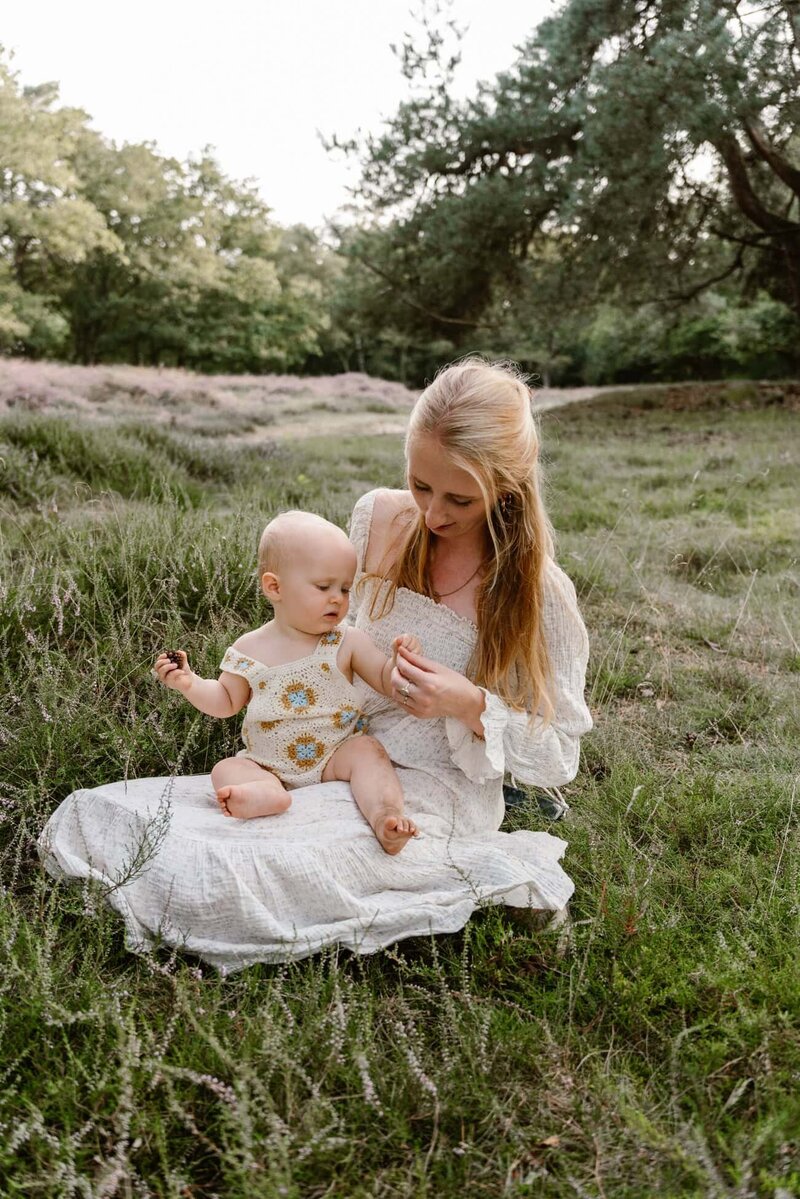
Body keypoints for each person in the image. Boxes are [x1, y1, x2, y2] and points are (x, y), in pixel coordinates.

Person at [40, 358, 592, 972]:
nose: (433, 514)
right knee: (119, 813)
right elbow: (322, 629)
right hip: (325, 749)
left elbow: (558, 752)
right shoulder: (378, 518)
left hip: (431, 787)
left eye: (460, 498)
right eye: (420, 485)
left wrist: (466, 703)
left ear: (508, 485)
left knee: (255, 866)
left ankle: (458, 871)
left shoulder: (536, 591)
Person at [153, 510, 420, 855]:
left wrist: (400, 663)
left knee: (368, 752)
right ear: (274, 587)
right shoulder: (249, 648)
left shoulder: (346, 641)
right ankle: (268, 793)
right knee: (226, 768)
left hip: (334, 754)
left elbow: (385, 679)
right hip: (266, 761)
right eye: (323, 587)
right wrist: (189, 682)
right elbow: (224, 701)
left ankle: (386, 815)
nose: (337, 598)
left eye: (344, 588)